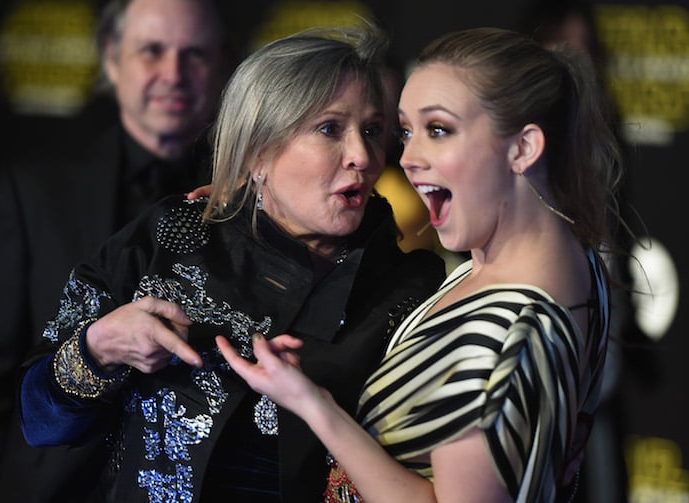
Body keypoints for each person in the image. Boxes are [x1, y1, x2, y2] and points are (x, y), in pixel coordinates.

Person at [16, 25, 445, 502]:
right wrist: (98, 347)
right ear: (258, 152)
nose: (362, 157)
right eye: (329, 129)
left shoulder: (408, 292)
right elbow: (39, 421)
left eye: (371, 130)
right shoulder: (170, 238)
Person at [218, 27, 624, 502]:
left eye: (439, 130)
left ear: (523, 147)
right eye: (406, 132)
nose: (403, 159)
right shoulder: (558, 260)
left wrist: (317, 408)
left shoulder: (502, 332)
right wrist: (266, 197)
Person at [0, 0, 231, 501]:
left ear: (221, 69)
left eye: (194, 55)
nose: (172, 73)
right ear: (110, 60)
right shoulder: (37, 188)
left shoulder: (249, 197)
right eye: (152, 51)